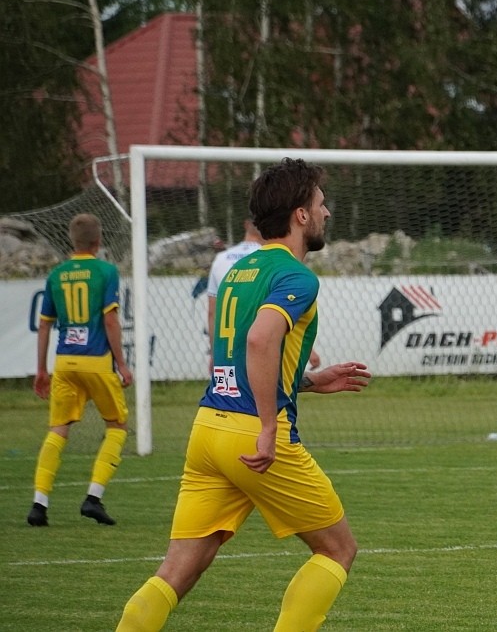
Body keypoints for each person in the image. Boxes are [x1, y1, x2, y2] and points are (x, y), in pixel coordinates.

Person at [116, 159, 372, 631]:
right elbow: (259, 340)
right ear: (300, 215)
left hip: (209, 428)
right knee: (338, 549)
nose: (327, 213)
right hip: (253, 434)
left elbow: (237, 353)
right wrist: (271, 425)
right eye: (320, 203)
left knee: (175, 572)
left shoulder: (240, 270)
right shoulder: (297, 277)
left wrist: (311, 381)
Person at [27, 213, 133, 527]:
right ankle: (93, 498)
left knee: (58, 430)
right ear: (98, 242)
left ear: (72, 242)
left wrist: (41, 369)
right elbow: (111, 320)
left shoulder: (57, 274)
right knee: (117, 427)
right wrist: (122, 365)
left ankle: (39, 504)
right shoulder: (105, 271)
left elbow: (44, 325)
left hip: (64, 362)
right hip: (96, 361)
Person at [207, 218, 320, 371]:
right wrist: (308, 351)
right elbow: (281, 314)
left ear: (246, 224)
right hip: (264, 348)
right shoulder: (270, 260)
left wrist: (216, 355)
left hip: (229, 352)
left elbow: (213, 313)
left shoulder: (222, 259)